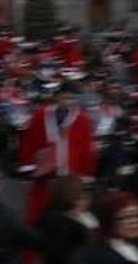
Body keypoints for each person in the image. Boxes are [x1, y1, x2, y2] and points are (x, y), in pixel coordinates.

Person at [18, 83, 97, 225]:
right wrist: (31, 167)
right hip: (46, 179)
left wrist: (85, 176)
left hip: (70, 178)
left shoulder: (82, 119)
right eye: (65, 97)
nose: (68, 102)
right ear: (57, 96)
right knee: (40, 218)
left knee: (70, 219)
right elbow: (31, 142)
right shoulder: (41, 115)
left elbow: (86, 149)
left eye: (72, 99)